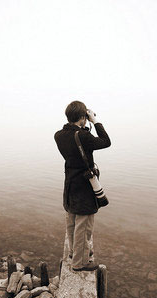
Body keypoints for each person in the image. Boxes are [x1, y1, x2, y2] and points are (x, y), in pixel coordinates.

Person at [54, 101, 111, 271]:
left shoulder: (58, 135)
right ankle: (79, 263)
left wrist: (84, 126)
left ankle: (74, 252)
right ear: (82, 117)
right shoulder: (84, 136)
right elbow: (105, 141)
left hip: (70, 181)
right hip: (84, 184)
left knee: (71, 220)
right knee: (83, 223)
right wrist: (95, 122)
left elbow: (76, 140)